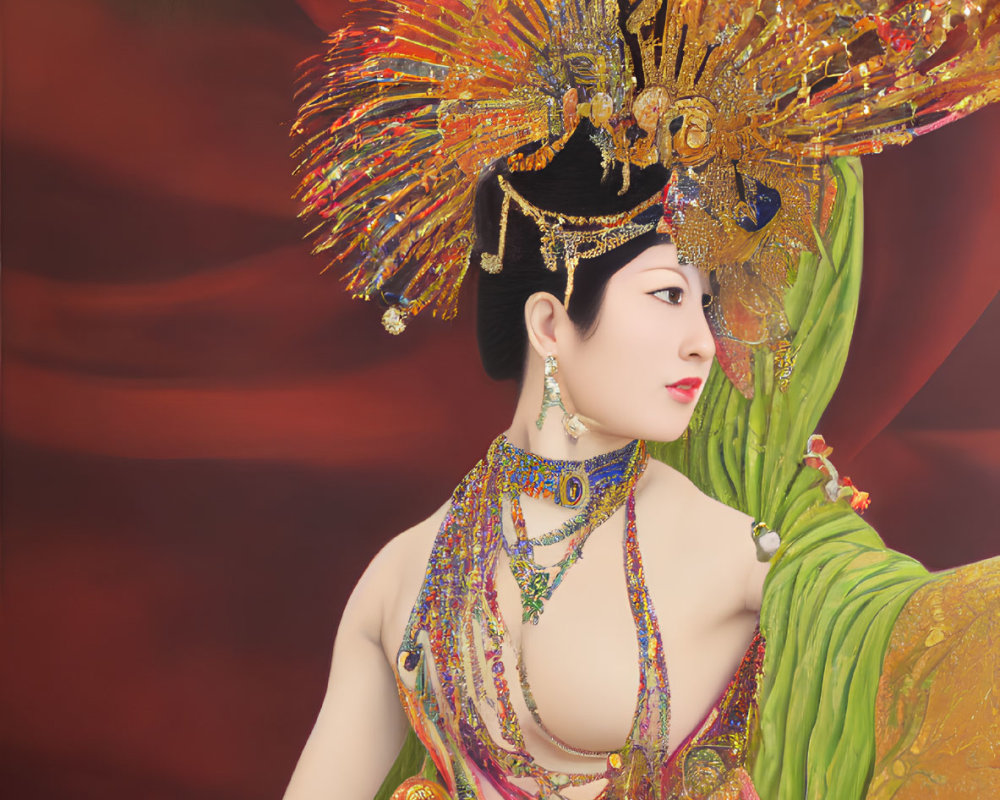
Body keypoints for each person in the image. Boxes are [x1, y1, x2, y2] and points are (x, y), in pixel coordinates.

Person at [284, 0, 1000, 797]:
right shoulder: (404, 579)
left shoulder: (739, 554)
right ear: (550, 322)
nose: (704, 340)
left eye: (707, 302)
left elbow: (930, 639)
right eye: (667, 296)